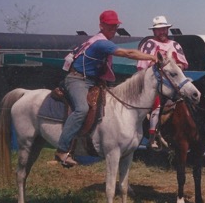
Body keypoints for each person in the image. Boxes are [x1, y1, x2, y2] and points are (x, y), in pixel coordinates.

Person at [55, 10, 157, 168]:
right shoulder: (101, 42)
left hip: (92, 81)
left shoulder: (99, 40)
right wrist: (151, 57)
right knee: (82, 109)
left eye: (115, 26)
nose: (113, 29)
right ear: (101, 26)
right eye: (110, 26)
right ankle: (62, 149)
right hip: (78, 80)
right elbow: (127, 53)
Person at [137, 16, 189, 148]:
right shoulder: (149, 44)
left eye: (164, 29)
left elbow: (183, 64)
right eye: (159, 30)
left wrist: (176, 68)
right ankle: (152, 138)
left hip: (174, 82)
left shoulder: (175, 45)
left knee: (190, 97)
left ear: (168, 29)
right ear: (154, 32)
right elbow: (142, 67)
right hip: (154, 83)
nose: (162, 32)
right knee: (156, 106)